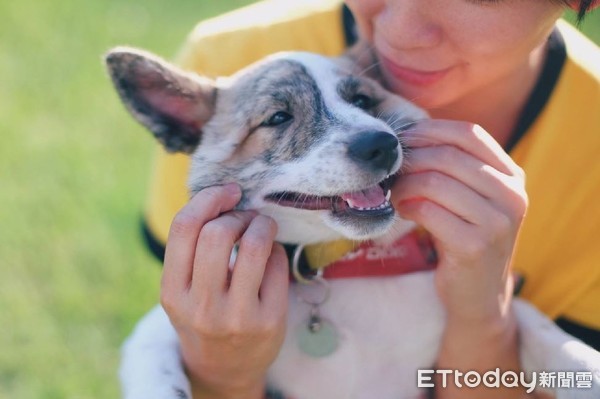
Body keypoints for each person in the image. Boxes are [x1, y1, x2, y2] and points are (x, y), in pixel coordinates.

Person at [140, 0, 600, 398]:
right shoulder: (227, 59)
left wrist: (484, 320)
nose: (398, 33)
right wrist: (223, 377)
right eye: (280, 117)